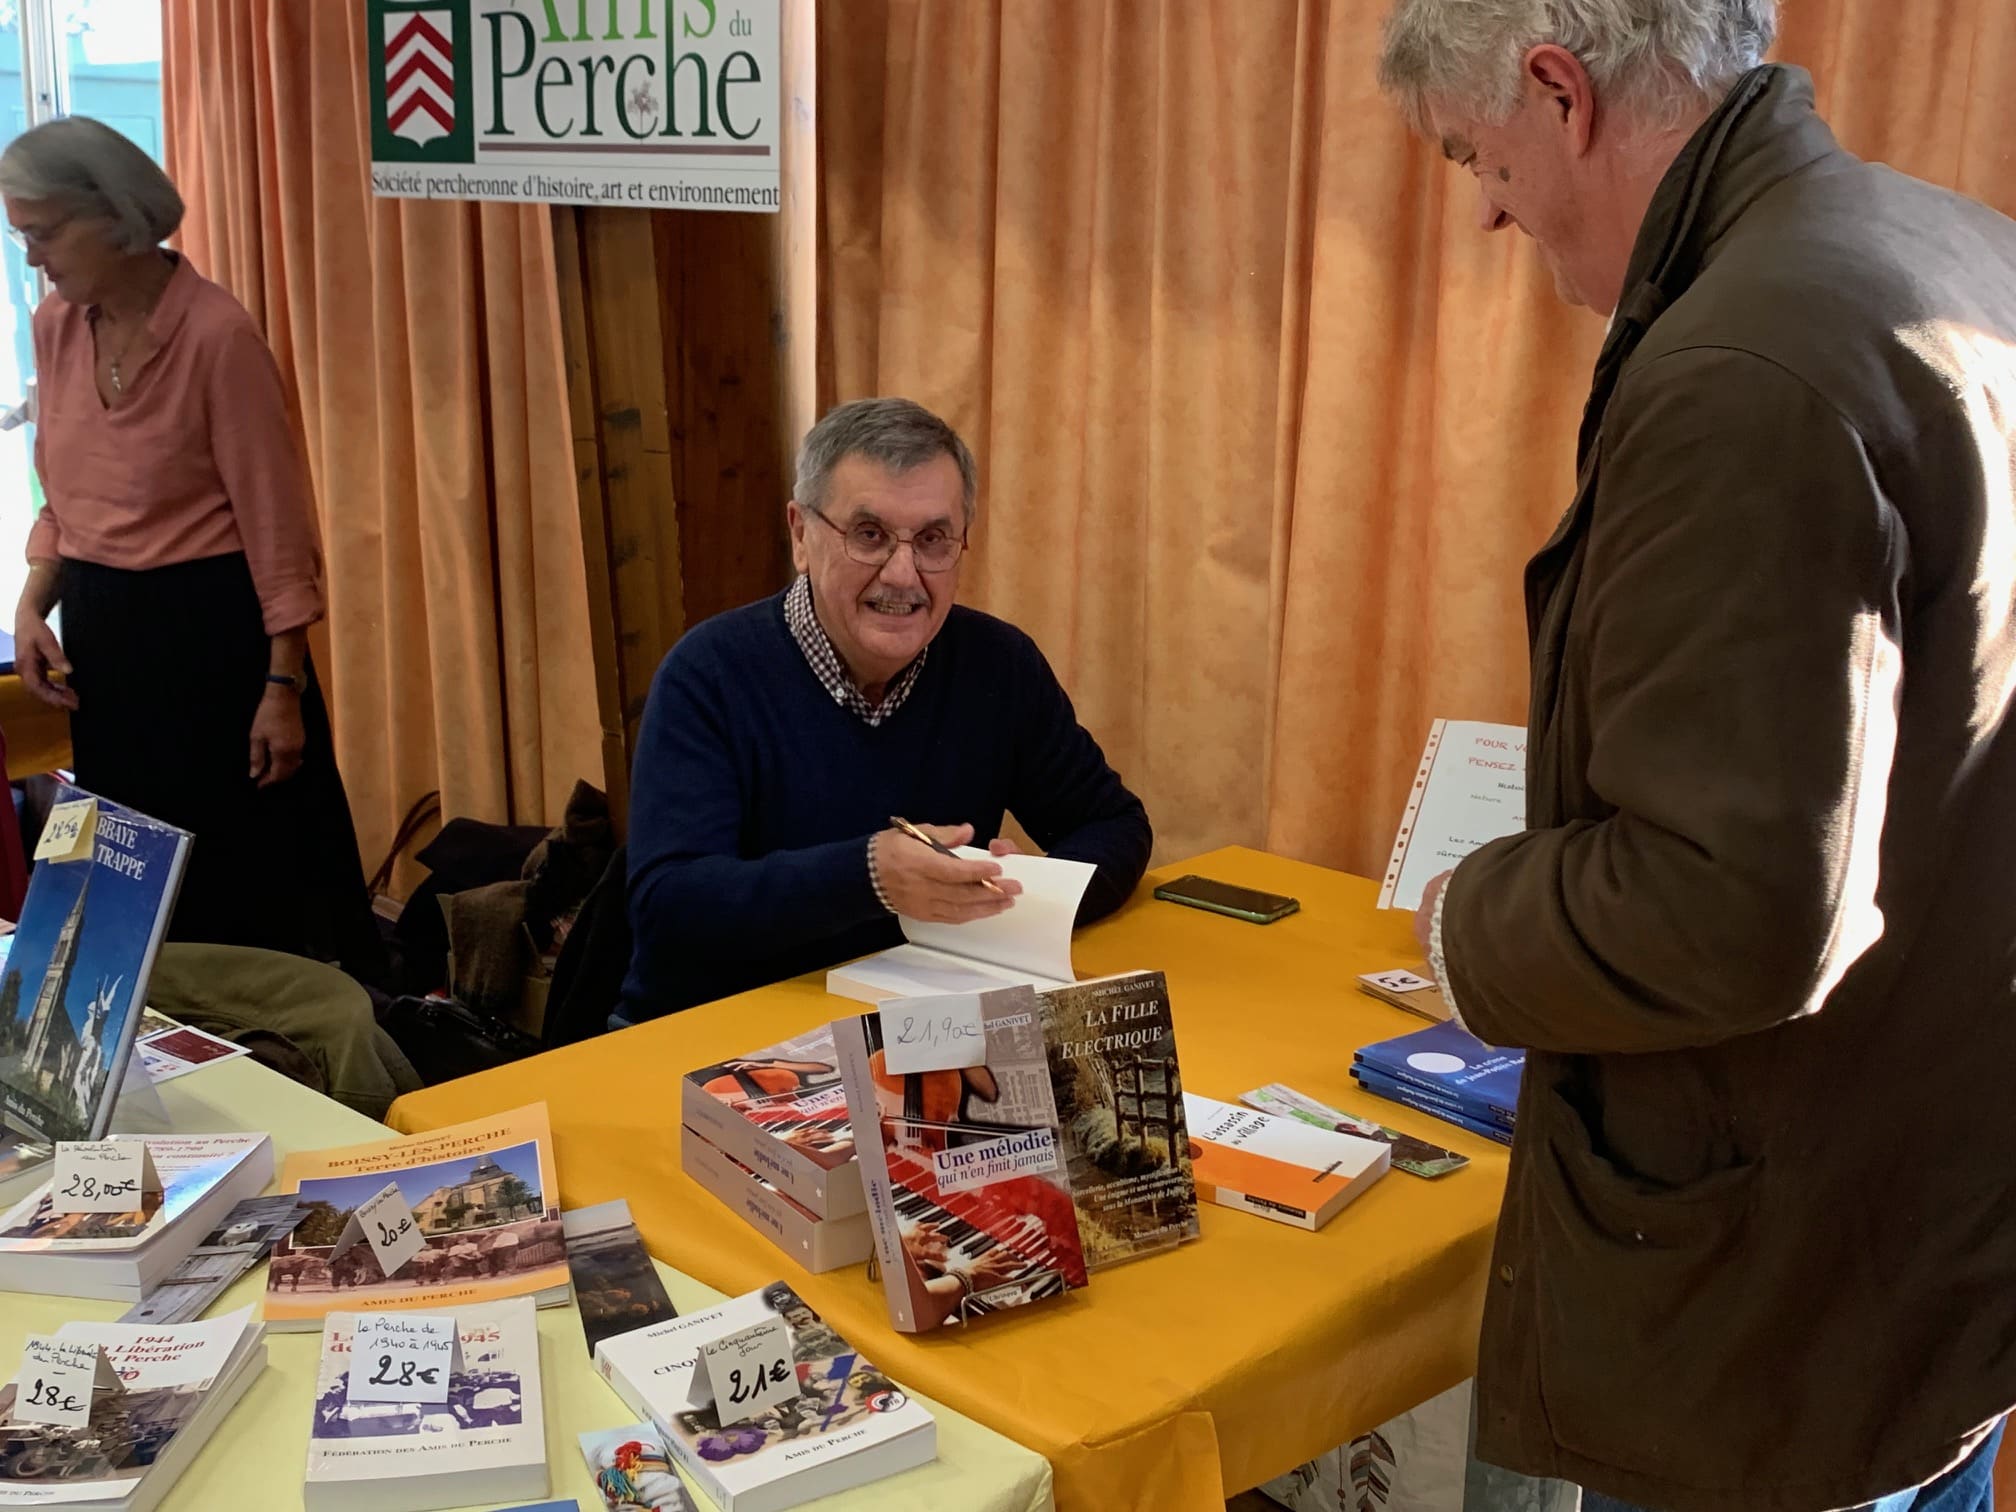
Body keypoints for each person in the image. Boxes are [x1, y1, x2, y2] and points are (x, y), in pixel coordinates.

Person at [1377, 2, 2016, 1510]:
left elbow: (1729, 907)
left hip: (1776, 1305)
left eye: (1478, 157)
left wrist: (1470, 921)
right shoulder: (1962, 247)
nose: (1484, 206)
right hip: (1936, 1216)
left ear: (1559, 92)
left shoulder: (1746, 359)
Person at [617, 397, 1152, 1025]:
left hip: (920, 1028)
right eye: (869, 536)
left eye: (932, 540)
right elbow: (670, 905)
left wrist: (1018, 896)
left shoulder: (997, 664)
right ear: (800, 535)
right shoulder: (709, 674)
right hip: (716, 1036)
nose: (903, 575)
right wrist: (869, 875)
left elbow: (1115, 825)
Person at [0, 117, 379, 978]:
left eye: (45, 233)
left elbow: (278, 532)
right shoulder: (60, 324)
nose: (33, 258)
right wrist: (32, 601)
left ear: (119, 217)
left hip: (213, 644)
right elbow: (65, 493)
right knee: (140, 891)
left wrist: (283, 684)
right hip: (107, 640)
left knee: (245, 885)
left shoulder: (217, 336)